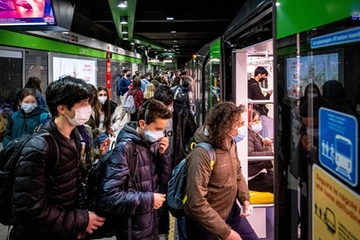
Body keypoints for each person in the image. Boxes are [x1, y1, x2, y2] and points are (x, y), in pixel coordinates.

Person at [10, 76, 106, 240]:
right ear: (62, 108)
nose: (88, 108)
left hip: (63, 229)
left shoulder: (74, 135)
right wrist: (81, 220)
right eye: (83, 102)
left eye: (88, 102)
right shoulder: (39, 148)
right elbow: (29, 209)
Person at [96, 99, 173, 240]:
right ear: (142, 124)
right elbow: (108, 197)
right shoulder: (125, 149)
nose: (161, 134)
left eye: (163, 129)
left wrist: (164, 154)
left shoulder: (153, 143)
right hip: (132, 230)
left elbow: (164, 179)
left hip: (150, 223)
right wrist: (149, 200)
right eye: (157, 129)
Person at [184, 102, 258, 240]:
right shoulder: (202, 154)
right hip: (204, 222)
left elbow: (237, 172)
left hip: (230, 211)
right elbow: (197, 202)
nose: (245, 128)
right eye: (240, 124)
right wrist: (227, 233)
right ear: (225, 127)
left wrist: (244, 198)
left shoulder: (230, 143)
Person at [154, 85, 197, 240]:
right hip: (157, 167)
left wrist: (186, 151)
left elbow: (193, 134)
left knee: (180, 204)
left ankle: (181, 236)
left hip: (178, 164)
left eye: (168, 106)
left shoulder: (182, 112)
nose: (166, 110)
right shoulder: (149, 113)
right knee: (160, 205)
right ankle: (163, 234)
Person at [247, 110, 274, 193]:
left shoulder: (255, 134)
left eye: (259, 120)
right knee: (280, 185)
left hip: (261, 171)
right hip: (254, 177)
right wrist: (270, 153)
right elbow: (250, 155)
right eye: (254, 121)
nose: (258, 123)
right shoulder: (248, 136)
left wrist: (267, 145)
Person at [248, 66, 273, 138]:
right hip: (259, 112)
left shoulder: (249, 84)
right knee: (265, 133)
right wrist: (268, 94)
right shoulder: (255, 86)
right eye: (264, 76)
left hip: (253, 110)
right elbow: (263, 101)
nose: (264, 78)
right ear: (259, 74)